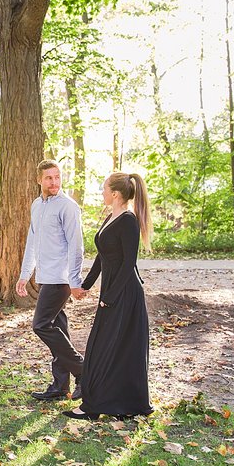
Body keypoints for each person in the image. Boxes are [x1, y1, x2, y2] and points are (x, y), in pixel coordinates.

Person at [63, 172, 154, 421]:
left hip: (125, 294)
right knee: (108, 347)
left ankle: (96, 405)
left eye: (104, 189)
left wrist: (110, 297)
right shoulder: (110, 217)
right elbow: (103, 257)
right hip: (112, 292)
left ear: (115, 194)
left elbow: (128, 264)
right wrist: (86, 285)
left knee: (110, 347)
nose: (102, 193)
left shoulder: (128, 220)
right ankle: (109, 404)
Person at [17, 160, 86, 401]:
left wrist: (75, 280)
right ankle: (60, 386)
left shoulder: (68, 206)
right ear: (39, 180)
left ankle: (83, 370)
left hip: (61, 278)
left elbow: (76, 246)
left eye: (57, 177)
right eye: (49, 178)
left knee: (41, 325)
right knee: (59, 328)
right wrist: (25, 275)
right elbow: (32, 243)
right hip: (46, 277)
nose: (54, 182)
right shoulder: (37, 205)